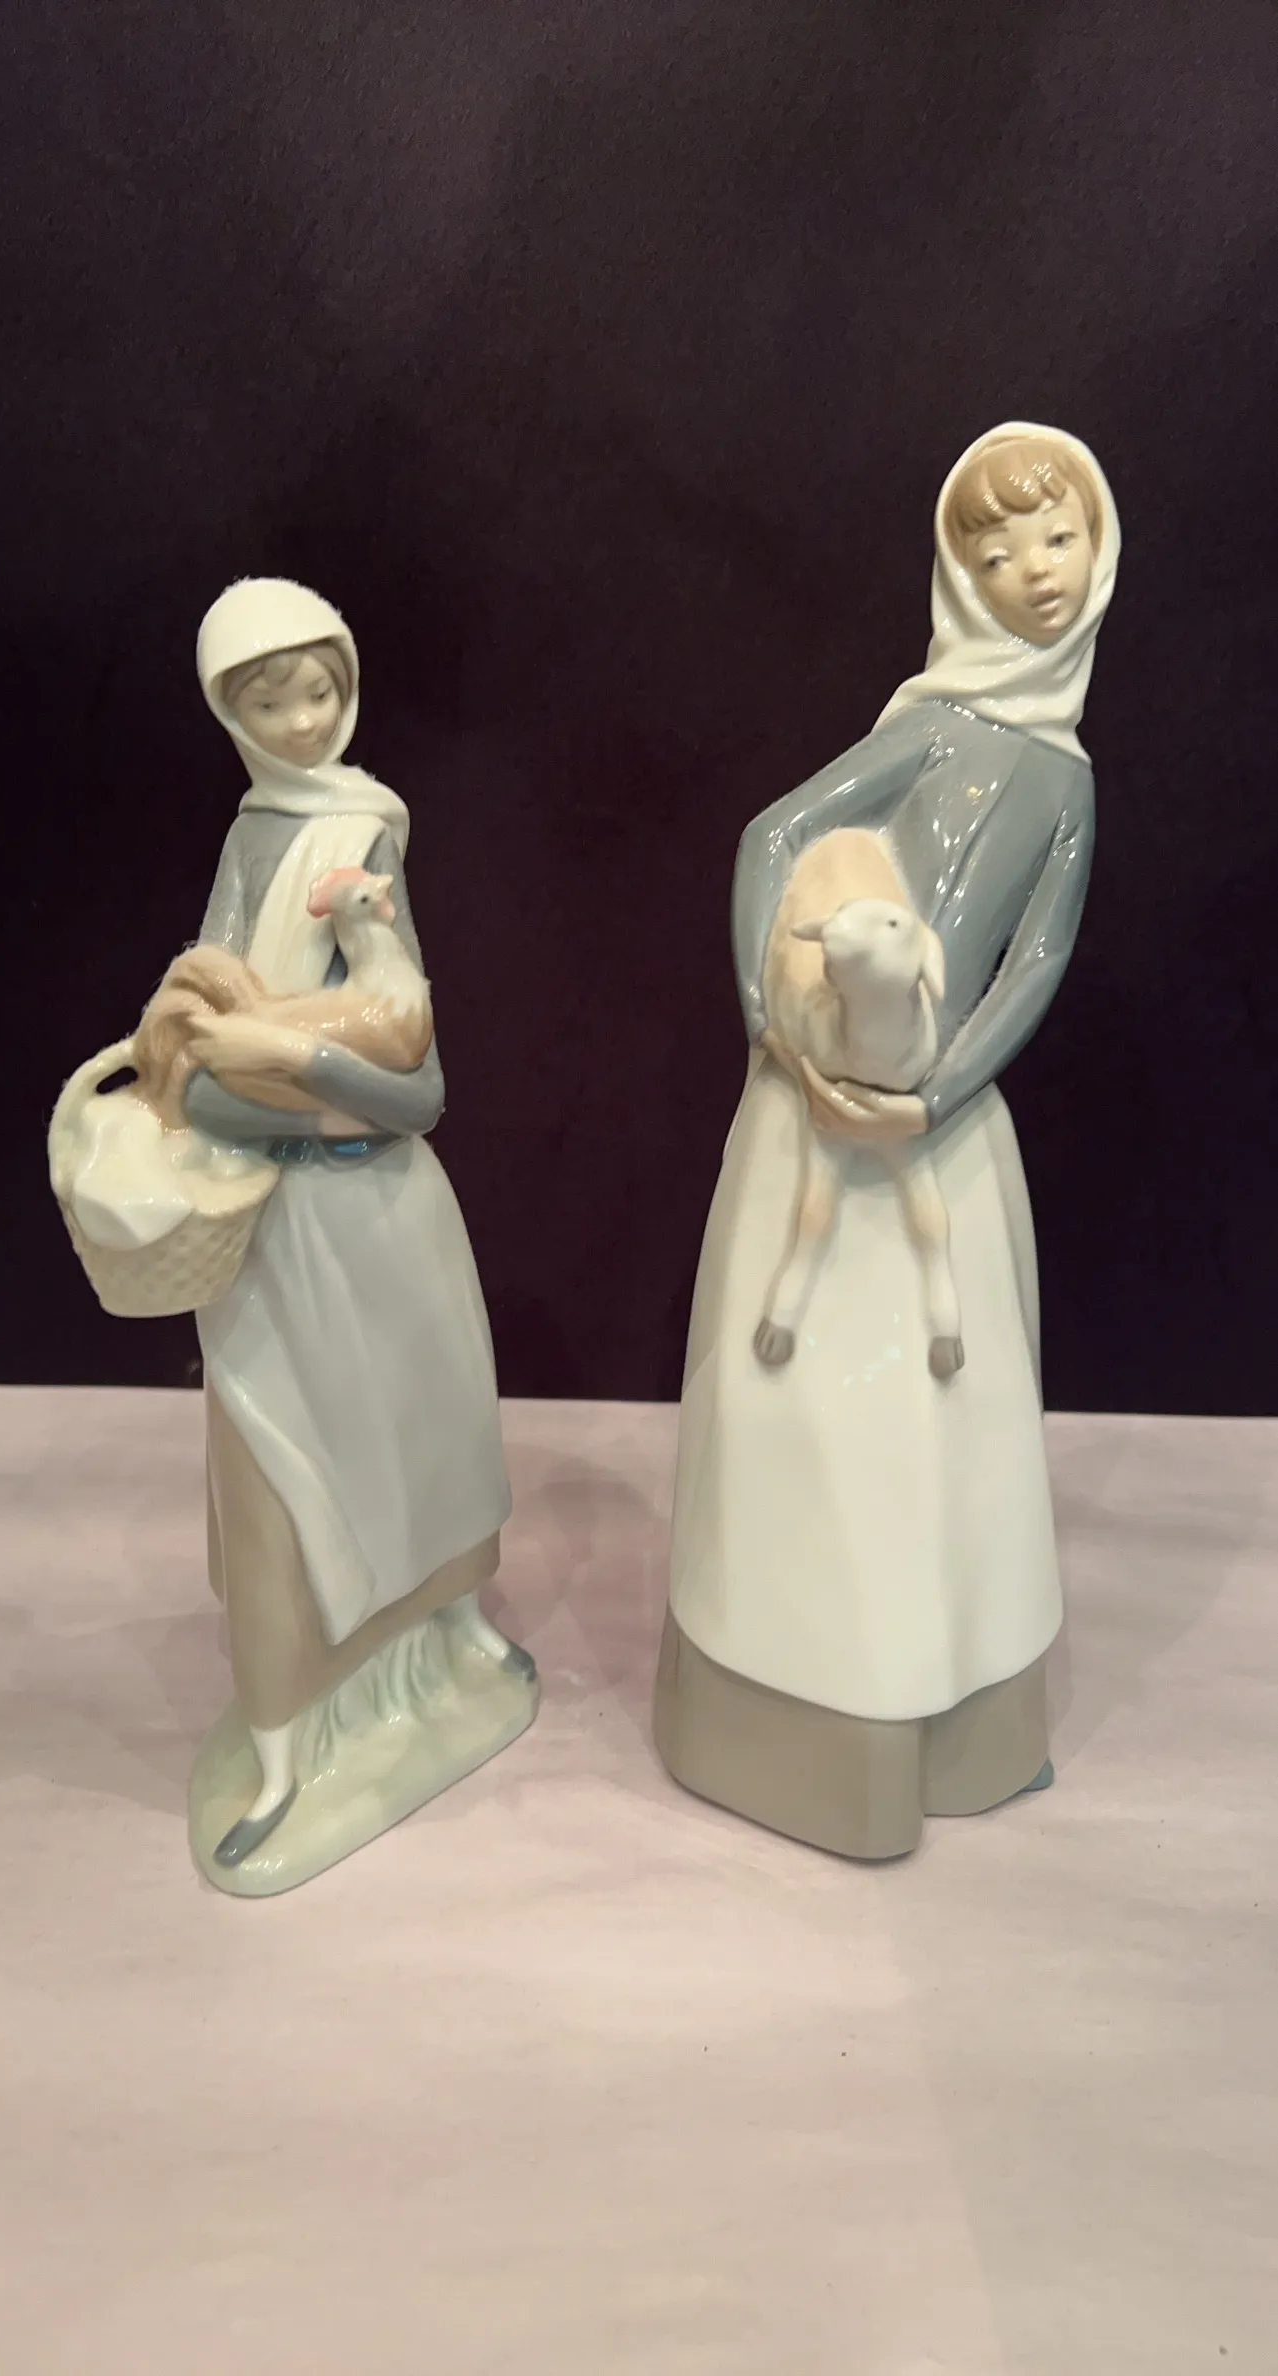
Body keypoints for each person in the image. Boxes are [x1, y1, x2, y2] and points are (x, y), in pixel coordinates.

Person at [655, 423, 1120, 1861]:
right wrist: (774, 1030)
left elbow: (1036, 961)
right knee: (802, 1414)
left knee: (949, 1421)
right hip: (815, 1112)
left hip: (939, 1131)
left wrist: (939, 1095)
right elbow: (771, 837)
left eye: (1059, 539)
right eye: (999, 550)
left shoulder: (1064, 779)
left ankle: (963, 1726)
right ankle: (797, 1735)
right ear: (960, 574)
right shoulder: (933, 725)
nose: (1036, 572)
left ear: (1100, 552)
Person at [186, 578, 530, 1876]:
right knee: (282, 1481)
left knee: (429, 1428)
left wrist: (296, 1071)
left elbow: (418, 1089)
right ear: (231, 715)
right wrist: (296, 1085)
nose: (304, 722)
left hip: (385, 1221)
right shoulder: (253, 842)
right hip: (278, 1239)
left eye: (321, 690)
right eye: (271, 701)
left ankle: (454, 1631)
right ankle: (284, 1742)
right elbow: (197, 1058)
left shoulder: (368, 832)